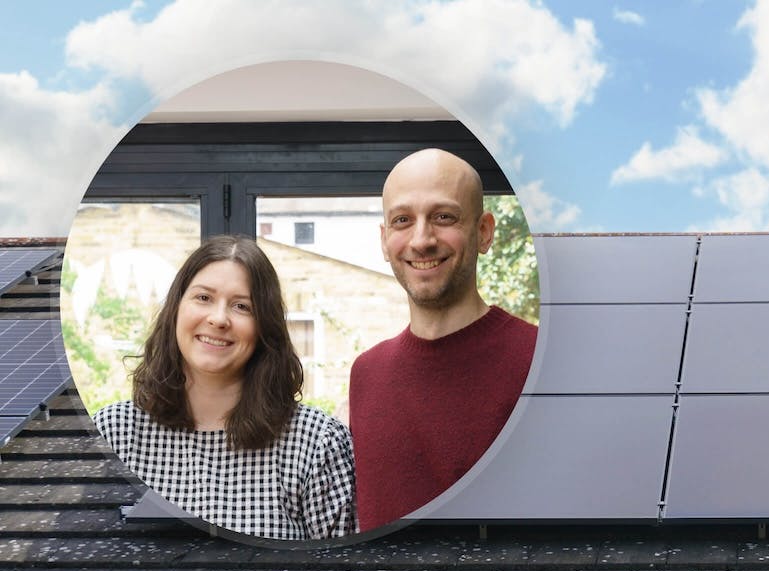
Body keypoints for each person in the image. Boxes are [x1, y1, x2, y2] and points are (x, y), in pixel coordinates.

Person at [93, 236, 355, 540]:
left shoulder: (317, 443)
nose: (218, 319)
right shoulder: (114, 432)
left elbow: (344, 566)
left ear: (265, 326)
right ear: (176, 309)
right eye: (203, 297)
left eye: (242, 306)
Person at [349, 148, 537, 531]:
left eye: (443, 217)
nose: (421, 240)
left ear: (484, 232)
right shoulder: (366, 374)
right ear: (384, 240)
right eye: (403, 220)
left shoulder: (541, 360)